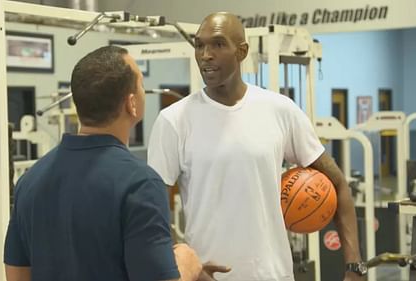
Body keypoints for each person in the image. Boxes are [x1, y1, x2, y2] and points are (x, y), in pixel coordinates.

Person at [148, 12, 365, 281]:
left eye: (217, 44)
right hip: (207, 277)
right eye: (199, 45)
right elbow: (152, 211)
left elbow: (339, 184)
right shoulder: (174, 120)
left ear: (242, 51)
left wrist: (354, 266)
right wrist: (186, 266)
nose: (205, 55)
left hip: (274, 275)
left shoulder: (279, 109)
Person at [4, 45, 202, 281]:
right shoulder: (140, 184)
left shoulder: (30, 180)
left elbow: (16, 275)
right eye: (140, 84)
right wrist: (187, 264)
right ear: (132, 104)